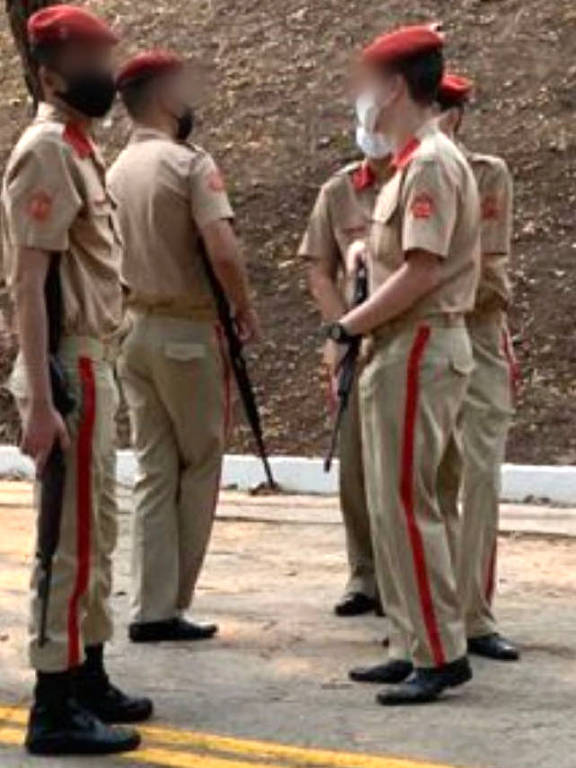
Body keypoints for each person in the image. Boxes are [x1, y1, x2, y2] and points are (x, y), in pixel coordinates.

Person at [1, 5, 152, 755]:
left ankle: (87, 669)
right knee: (66, 541)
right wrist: (40, 389)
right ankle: (53, 705)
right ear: (52, 75)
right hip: (66, 362)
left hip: (97, 356)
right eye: (90, 60)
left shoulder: (81, 148)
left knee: (96, 531)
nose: (104, 71)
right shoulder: (46, 151)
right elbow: (26, 284)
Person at [333, 25, 482, 704]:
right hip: (403, 344)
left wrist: (347, 323)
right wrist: (367, 259)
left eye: (367, 82)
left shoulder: (427, 163)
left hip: (418, 341)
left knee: (406, 501)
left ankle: (440, 653)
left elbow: (423, 271)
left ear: (393, 87)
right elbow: (405, 258)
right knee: (393, 506)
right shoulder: (414, 161)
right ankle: (414, 639)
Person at [109, 51, 260, 643]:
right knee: (199, 466)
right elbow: (221, 248)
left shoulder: (112, 169)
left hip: (133, 328)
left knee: (153, 468)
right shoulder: (189, 165)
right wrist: (243, 306)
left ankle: (149, 603)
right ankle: (171, 605)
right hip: (189, 335)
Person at [436, 73, 519, 661]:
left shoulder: (486, 174)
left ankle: (474, 617)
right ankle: (425, 614)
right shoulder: (379, 176)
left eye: (441, 108)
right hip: (413, 339)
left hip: (478, 335)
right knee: (422, 482)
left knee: (479, 477)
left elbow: (489, 274)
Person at [299, 106, 394, 617]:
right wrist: (341, 330)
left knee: (401, 465)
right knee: (355, 463)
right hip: (359, 341)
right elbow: (319, 267)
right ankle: (364, 574)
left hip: (404, 338)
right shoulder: (339, 191)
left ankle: (401, 575)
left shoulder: (419, 178)